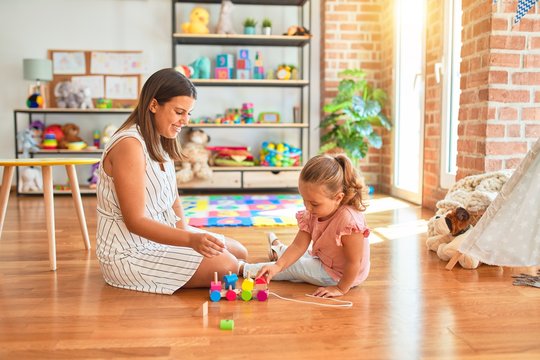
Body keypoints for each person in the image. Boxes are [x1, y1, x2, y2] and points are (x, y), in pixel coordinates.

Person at [95, 68, 248, 294]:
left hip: (160, 237)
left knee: (238, 252)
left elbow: (173, 201)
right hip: (129, 252)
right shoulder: (129, 145)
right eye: (179, 112)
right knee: (227, 265)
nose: (185, 121)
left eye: (189, 113)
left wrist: (188, 233)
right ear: (154, 105)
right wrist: (190, 240)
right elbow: (135, 221)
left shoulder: (161, 139)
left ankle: (241, 265)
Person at [240, 153, 370, 298]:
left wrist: (340, 288)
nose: (308, 208)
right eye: (304, 200)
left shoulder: (349, 222)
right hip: (325, 258)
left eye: (314, 203)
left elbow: (354, 262)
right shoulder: (313, 212)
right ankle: (278, 251)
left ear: (338, 198)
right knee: (292, 257)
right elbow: (298, 246)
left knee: (294, 267)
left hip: (342, 275)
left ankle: (243, 268)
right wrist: (277, 266)